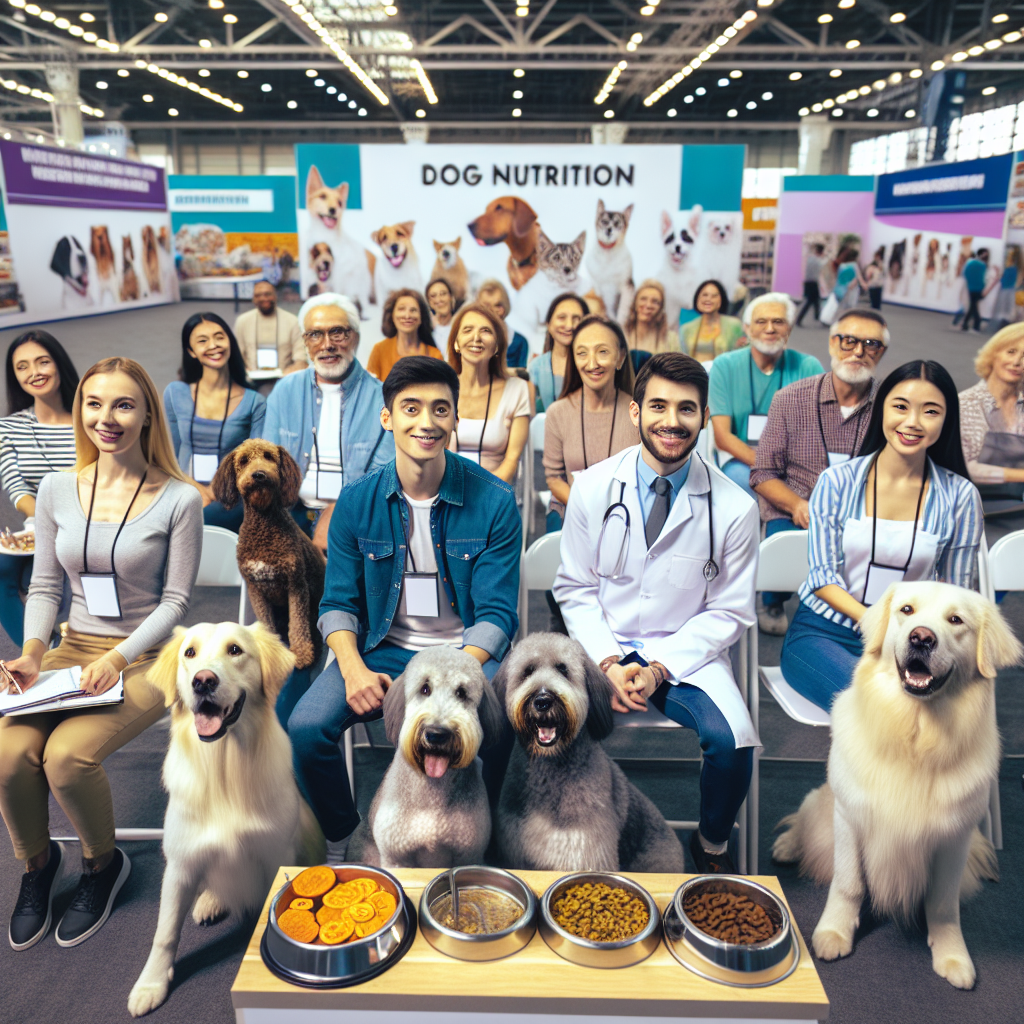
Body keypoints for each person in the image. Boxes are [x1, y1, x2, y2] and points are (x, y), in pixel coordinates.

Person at [1, 357, 202, 950]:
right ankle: (38, 869)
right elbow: (44, 586)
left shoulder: (179, 498)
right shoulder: (58, 489)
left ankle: (100, 865)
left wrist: (118, 659)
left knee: (66, 758)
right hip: (72, 647)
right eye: (93, 403)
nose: (105, 418)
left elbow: (176, 601)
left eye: (122, 405)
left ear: (145, 415)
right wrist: (34, 653)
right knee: (10, 754)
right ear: (80, 408)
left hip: (146, 656)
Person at [287, 356, 521, 857]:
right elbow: (338, 605)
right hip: (382, 647)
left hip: (466, 653)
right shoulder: (355, 502)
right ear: (387, 417)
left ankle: (490, 832)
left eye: (441, 409)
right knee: (306, 730)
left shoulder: (495, 500)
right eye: (411, 408)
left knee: (501, 727)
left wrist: (447, 674)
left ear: (455, 418)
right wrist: (351, 670)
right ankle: (345, 834)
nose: (427, 422)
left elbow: (498, 616)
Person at [554, 352, 760, 874]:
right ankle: (556, 835)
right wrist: (608, 663)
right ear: (635, 411)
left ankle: (711, 843)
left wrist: (656, 668)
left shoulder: (734, 507)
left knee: (732, 741)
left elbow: (729, 613)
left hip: (686, 654)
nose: (672, 421)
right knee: (542, 719)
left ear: (705, 417)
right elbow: (575, 589)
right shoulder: (594, 488)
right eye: (659, 406)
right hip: (604, 644)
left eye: (687, 409)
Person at [780, 360, 983, 712]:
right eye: (900, 406)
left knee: (932, 715)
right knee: (885, 708)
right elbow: (822, 577)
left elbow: (957, 591)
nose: (912, 422)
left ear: (947, 419)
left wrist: (912, 635)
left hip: (916, 640)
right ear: (882, 409)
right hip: (824, 632)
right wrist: (882, 625)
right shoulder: (837, 481)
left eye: (930, 411)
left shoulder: (961, 496)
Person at [750, 309, 889, 635]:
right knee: (785, 541)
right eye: (849, 341)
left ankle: (855, 606)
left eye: (870, 344)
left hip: (861, 510)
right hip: (796, 504)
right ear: (832, 342)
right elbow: (763, 472)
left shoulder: (889, 404)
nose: (858, 351)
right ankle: (774, 597)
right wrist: (798, 506)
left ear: (881, 352)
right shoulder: (789, 399)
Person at [262, 293, 394, 550]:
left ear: (355, 336)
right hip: (292, 512)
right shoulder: (285, 391)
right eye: (315, 334)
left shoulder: (383, 397)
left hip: (356, 516)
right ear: (305, 342)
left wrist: (340, 511)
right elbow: (267, 461)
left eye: (337, 333)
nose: (327, 344)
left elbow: (384, 474)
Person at [0, 333, 78, 647]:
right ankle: (38, 658)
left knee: (44, 581)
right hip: (39, 527)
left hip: (89, 521)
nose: (34, 372)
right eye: (22, 366)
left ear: (58, 364)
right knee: (3, 569)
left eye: (43, 361)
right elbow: (16, 489)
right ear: (15, 376)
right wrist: (47, 521)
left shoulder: (89, 419)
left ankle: (55, 651)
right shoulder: (8, 427)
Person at [709, 292, 824, 499]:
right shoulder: (725, 366)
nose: (769, 328)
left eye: (778, 321)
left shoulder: (809, 366)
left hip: (793, 462)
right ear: (747, 328)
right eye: (761, 321)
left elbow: (816, 431)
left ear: (789, 327)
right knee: (747, 483)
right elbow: (723, 437)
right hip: (741, 458)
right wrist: (766, 465)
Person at [163, 313, 266, 533]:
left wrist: (216, 492)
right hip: (183, 486)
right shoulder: (175, 393)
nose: (213, 345)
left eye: (219, 337)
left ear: (230, 341)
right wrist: (195, 488)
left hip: (232, 495)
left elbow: (256, 464)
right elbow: (170, 452)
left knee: (198, 521)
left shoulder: (254, 402)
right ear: (190, 351)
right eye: (202, 340)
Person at [543, 314, 638, 531]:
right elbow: (554, 479)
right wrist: (586, 507)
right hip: (572, 510)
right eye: (582, 353)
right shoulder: (558, 412)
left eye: (602, 352)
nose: (592, 363)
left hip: (625, 513)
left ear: (621, 357)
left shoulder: (637, 412)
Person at [448, 302, 530, 483]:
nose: (476, 337)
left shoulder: (517, 389)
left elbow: (511, 461)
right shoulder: (441, 389)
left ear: (497, 346)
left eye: (486, 331)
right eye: (467, 330)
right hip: (446, 493)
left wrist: (484, 497)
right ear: (456, 343)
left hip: (494, 495)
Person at [958, 323, 1024, 501]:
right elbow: (966, 467)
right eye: (1011, 352)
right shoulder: (967, 403)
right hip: (970, 504)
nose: (1017, 362)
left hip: (1016, 505)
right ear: (993, 354)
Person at [366, 289, 444, 381]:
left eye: (413, 310)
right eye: (401, 309)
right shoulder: (379, 350)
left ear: (421, 317)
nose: (407, 316)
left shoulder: (434, 355)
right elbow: (370, 389)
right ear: (392, 315)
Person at [528, 293, 587, 412]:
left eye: (576, 319)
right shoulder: (536, 366)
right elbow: (531, 415)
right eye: (562, 318)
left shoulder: (591, 365)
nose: (569, 325)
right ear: (548, 324)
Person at [233, 280, 305, 377]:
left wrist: (288, 375)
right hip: (251, 379)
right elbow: (236, 356)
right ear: (253, 299)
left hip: (283, 378)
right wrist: (243, 372)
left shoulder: (292, 321)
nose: (263, 298)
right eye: (258, 295)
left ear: (275, 296)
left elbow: (301, 359)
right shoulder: (242, 321)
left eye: (267, 294)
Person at [680, 279, 746, 363]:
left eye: (714, 296)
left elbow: (741, 355)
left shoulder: (735, 325)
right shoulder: (686, 328)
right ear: (697, 299)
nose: (708, 299)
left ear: (721, 300)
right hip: (693, 374)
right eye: (705, 295)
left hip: (724, 374)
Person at [477, 278, 529, 368]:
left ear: (502, 308)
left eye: (496, 305)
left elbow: (520, 378)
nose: (489, 311)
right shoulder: (470, 339)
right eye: (484, 306)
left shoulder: (520, 342)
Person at [623, 279, 676, 366]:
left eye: (655, 302)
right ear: (635, 302)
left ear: (661, 308)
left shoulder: (671, 339)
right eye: (643, 299)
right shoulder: (621, 335)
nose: (648, 305)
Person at [961, 248, 994, 334]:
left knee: (973, 306)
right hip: (977, 288)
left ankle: (967, 324)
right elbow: (983, 278)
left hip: (974, 288)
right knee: (973, 307)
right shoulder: (981, 265)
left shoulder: (972, 263)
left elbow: (966, 274)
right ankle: (975, 325)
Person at [796, 243, 825, 327]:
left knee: (815, 301)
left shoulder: (810, 259)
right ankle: (801, 319)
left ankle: (818, 317)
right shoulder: (819, 261)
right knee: (810, 302)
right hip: (813, 283)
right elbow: (820, 273)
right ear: (821, 252)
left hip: (808, 282)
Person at [426, 277, 458, 351]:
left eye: (443, 294)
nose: (439, 300)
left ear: (451, 297)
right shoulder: (426, 332)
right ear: (429, 302)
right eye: (433, 296)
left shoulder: (461, 327)